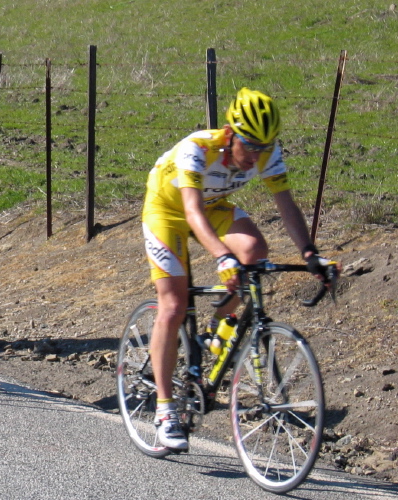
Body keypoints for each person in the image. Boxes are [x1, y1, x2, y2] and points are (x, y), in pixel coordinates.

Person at [141, 87, 334, 450]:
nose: (256, 155)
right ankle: (165, 411)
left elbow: (286, 204)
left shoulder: (266, 152)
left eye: (265, 146)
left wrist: (310, 253)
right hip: (168, 209)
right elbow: (192, 213)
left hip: (213, 205)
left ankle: (218, 325)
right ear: (230, 135)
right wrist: (220, 256)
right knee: (173, 305)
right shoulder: (196, 149)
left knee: (255, 252)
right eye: (250, 145)